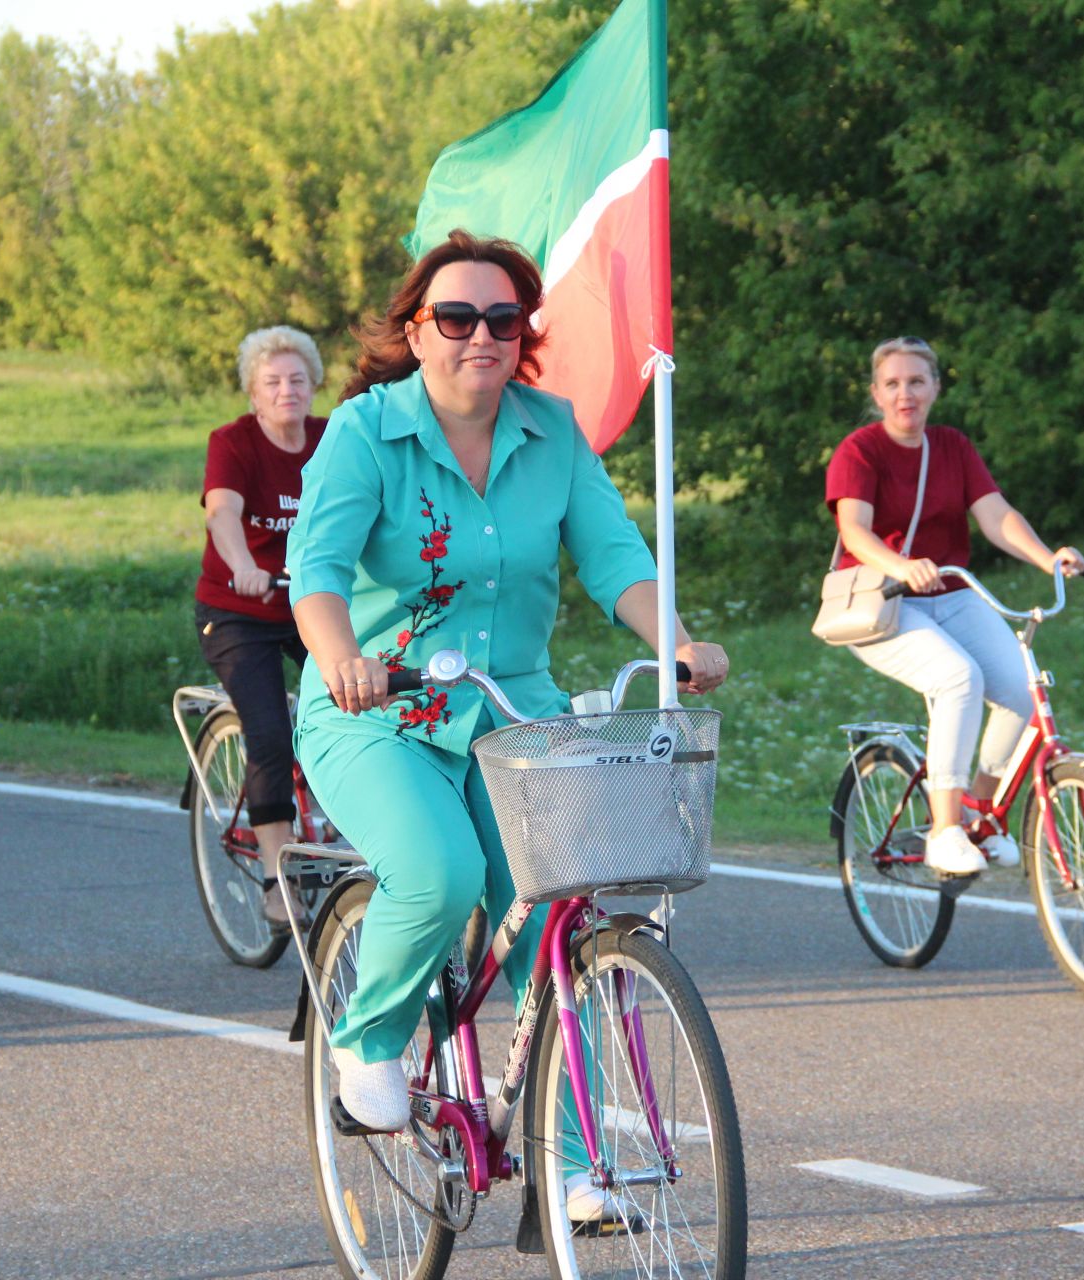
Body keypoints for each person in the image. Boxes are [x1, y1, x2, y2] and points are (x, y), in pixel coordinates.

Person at [286, 231, 727, 1219]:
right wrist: (339, 658)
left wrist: (680, 642)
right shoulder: (365, 432)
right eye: (456, 316)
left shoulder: (551, 431)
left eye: (501, 317)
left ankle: (574, 1167)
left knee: (556, 923)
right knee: (438, 872)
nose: (480, 334)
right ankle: (370, 1033)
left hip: (508, 712)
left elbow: (615, 555)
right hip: (376, 709)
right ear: (416, 329)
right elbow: (315, 573)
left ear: (522, 331)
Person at [825, 336, 1084, 877]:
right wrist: (900, 566)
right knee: (958, 679)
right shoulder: (860, 451)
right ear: (876, 393)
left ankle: (980, 818)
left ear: (936, 388)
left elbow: (995, 515)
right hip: (885, 601)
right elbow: (854, 530)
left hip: (951, 591)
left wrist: (1048, 559)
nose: (906, 395)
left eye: (917, 382)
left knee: (1020, 688)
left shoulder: (952, 447)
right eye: (893, 384)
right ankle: (944, 831)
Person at [194, 325, 329, 930]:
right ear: (253, 392)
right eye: (272, 382)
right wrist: (245, 566)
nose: (286, 391)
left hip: (309, 604)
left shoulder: (330, 439)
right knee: (270, 732)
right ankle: (277, 879)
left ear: (313, 385)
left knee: (366, 699)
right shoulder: (234, 443)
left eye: (297, 379)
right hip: (237, 610)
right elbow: (223, 510)